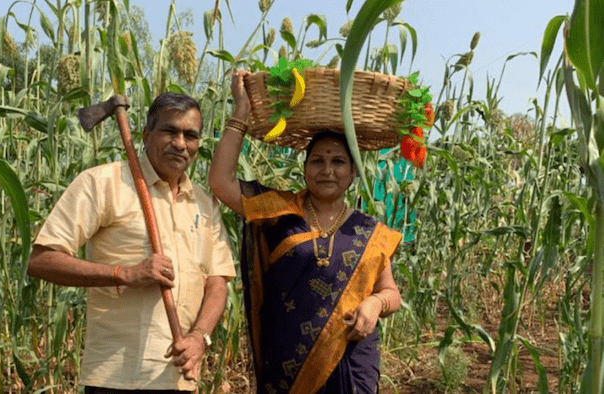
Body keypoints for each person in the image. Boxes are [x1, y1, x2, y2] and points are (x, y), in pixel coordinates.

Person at [208, 70, 403, 394]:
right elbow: (220, 182)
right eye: (318, 161)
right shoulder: (277, 212)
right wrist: (241, 111)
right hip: (288, 364)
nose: (328, 170)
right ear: (305, 168)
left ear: (353, 172)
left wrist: (375, 305)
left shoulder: (371, 232)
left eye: (338, 162)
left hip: (351, 363)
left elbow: (391, 293)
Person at [28, 92, 236, 394]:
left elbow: (217, 282)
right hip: (117, 379)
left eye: (190, 135)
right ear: (147, 134)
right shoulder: (103, 183)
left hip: (180, 379)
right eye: (170, 131)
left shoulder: (205, 203)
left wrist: (199, 337)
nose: (180, 143)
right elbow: (41, 260)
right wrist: (124, 274)